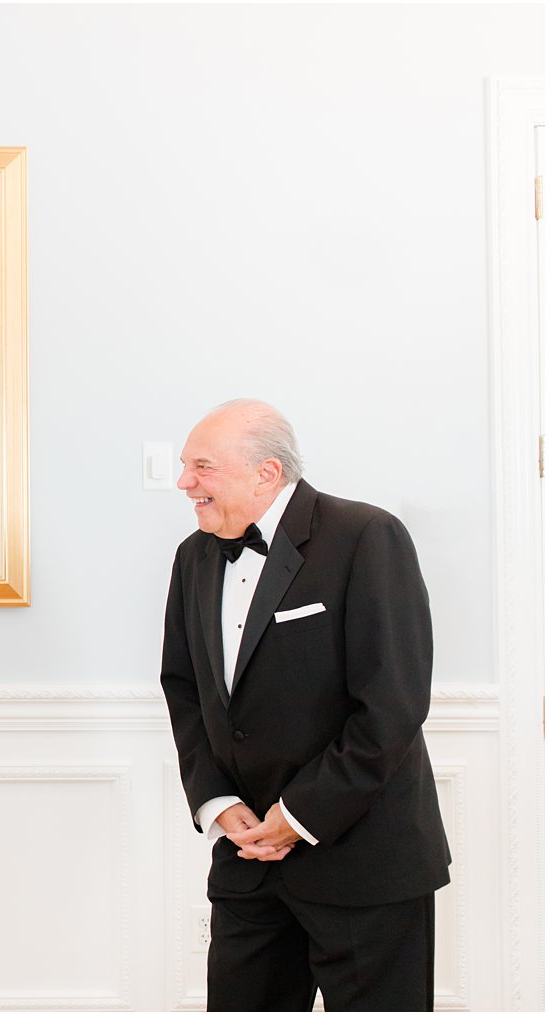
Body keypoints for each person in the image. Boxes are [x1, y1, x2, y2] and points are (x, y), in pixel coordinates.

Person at [159, 399, 450, 1011]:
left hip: (365, 860)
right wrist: (217, 801)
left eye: (202, 467)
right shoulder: (192, 556)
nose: (185, 482)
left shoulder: (368, 536)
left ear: (266, 472)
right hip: (246, 861)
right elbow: (184, 691)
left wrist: (298, 816)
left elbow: (391, 705)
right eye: (186, 467)